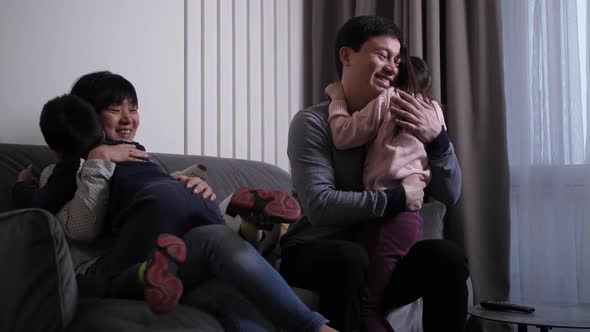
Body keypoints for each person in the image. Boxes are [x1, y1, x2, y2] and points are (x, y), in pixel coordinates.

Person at [14, 71, 336, 332]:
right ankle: (310, 323)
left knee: (228, 295)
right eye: (115, 109)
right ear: (87, 117)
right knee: (212, 240)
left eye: (133, 107)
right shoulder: (64, 170)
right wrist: (98, 161)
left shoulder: (140, 158)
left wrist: (192, 184)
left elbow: (159, 204)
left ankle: (247, 229)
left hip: (169, 260)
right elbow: (82, 228)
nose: (128, 118)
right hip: (109, 270)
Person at [279, 16, 469, 332]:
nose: (393, 67)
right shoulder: (312, 123)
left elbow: (450, 195)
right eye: (382, 55)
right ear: (346, 56)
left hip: (374, 248)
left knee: (446, 255)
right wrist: (397, 198)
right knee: (349, 258)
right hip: (315, 250)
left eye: (396, 59)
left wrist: (438, 140)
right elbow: (320, 206)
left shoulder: (404, 119)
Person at [322, 55, 444, 332]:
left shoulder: (389, 98)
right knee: (378, 296)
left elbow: (342, 135)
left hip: (388, 217)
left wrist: (337, 97)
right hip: (410, 219)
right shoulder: (434, 110)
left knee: (367, 308)